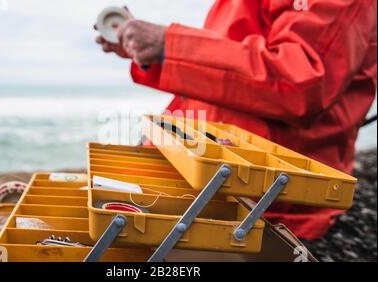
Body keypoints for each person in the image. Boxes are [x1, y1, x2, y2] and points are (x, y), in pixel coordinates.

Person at [95, 1, 377, 240]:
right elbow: (230, 74)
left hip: (258, 201)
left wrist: (169, 45)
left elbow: (301, 83)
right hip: (213, 183)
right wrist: (155, 53)